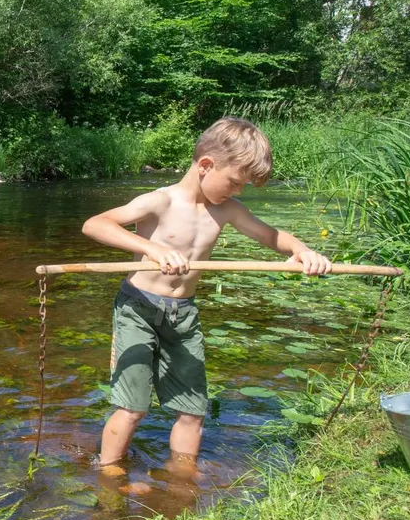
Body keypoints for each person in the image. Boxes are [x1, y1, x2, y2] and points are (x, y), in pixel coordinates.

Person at [80, 117, 331, 476]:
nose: (238, 191)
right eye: (234, 182)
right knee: (133, 408)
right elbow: (96, 224)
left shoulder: (226, 210)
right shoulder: (160, 202)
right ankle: (109, 475)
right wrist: (151, 248)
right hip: (137, 309)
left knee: (193, 410)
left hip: (183, 315)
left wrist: (303, 250)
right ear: (206, 165)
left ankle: (182, 482)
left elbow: (272, 236)